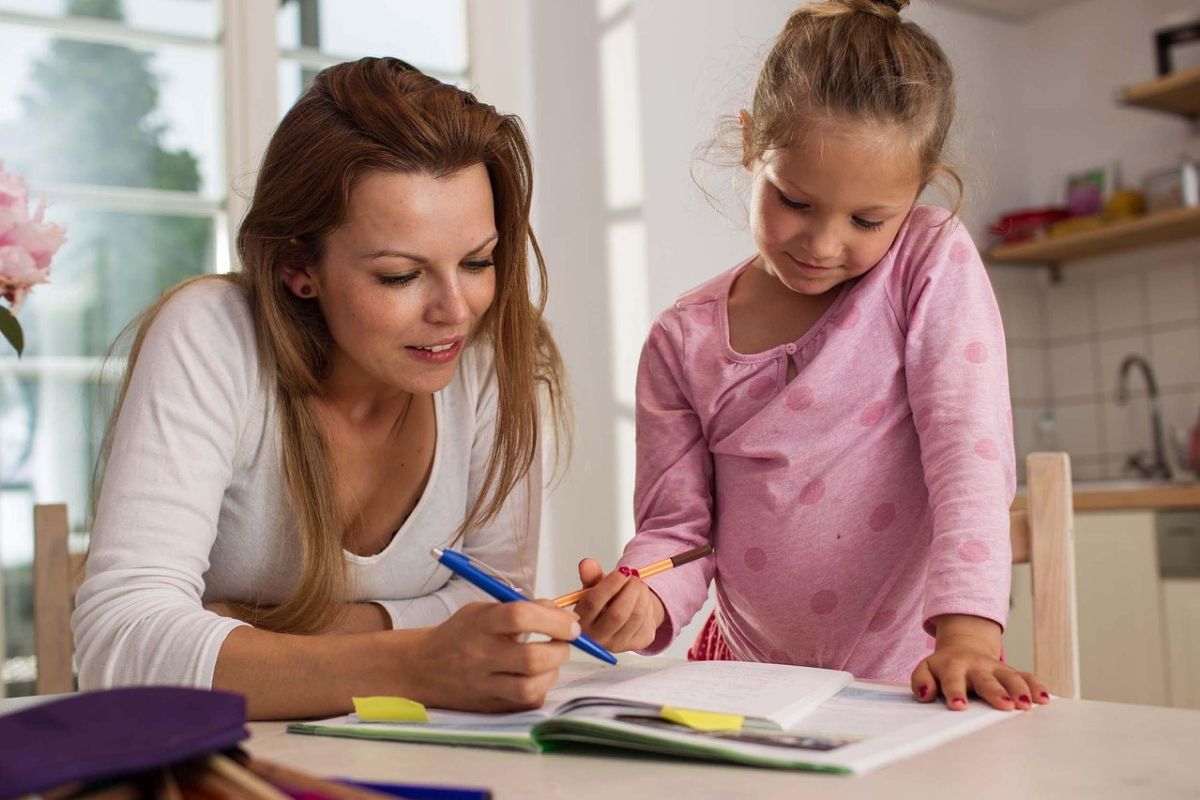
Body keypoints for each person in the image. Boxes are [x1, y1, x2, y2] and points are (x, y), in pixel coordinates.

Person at [570, 0, 1049, 711]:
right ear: (748, 145)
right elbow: (678, 532)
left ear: (916, 192)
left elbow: (968, 455)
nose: (823, 244)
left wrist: (970, 640)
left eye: (867, 220)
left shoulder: (927, 259)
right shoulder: (683, 340)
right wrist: (639, 599)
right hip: (746, 683)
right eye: (795, 201)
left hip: (918, 676)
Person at [72, 57, 577, 720]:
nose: (456, 309)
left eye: (478, 262)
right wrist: (412, 661)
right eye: (400, 275)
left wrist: (256, 634)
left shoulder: (491, 357)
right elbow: (120, 646)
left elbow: (495, 607)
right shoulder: (212, 336)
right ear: (297, 267)